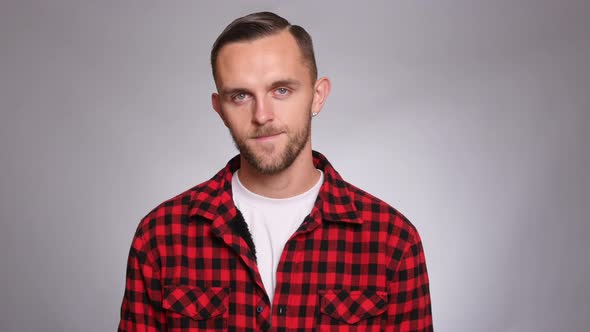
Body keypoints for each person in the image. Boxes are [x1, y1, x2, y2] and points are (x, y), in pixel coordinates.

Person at [118, 11, 433, 331]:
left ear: (317, 95)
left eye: (281, 90)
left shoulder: (393, 240)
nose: (262, 115)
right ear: (220, 110)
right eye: (240, 96)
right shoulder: (160, 236)